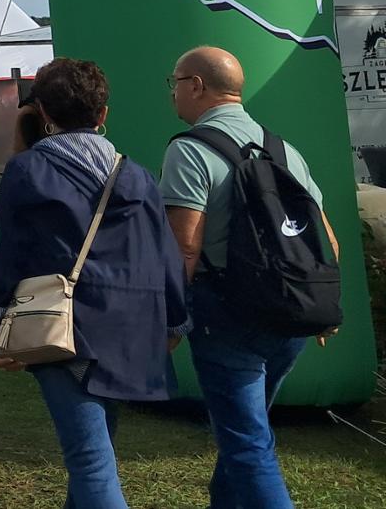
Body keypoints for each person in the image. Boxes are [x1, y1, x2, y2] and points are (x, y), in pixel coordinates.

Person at [0, 59, 189, 508]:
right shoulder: (135, 174)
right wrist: (174, 323)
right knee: (97, 452)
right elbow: (165, 252)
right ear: (103, 114)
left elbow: (8, 251)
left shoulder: (27, 171)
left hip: (62, 326)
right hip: (131, 327)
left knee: (91, 460)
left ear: (44, 112)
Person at [161, 45, 339, 508]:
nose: (172, 93)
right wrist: (321, 308)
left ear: (196, 85)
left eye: (174, 83)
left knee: (247, 444)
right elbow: (327, 241)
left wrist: (169, 320)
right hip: (291, 317)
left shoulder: (190, 151)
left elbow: (184, 248)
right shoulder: (284, 150)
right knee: (247, 432)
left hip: (226, 318)